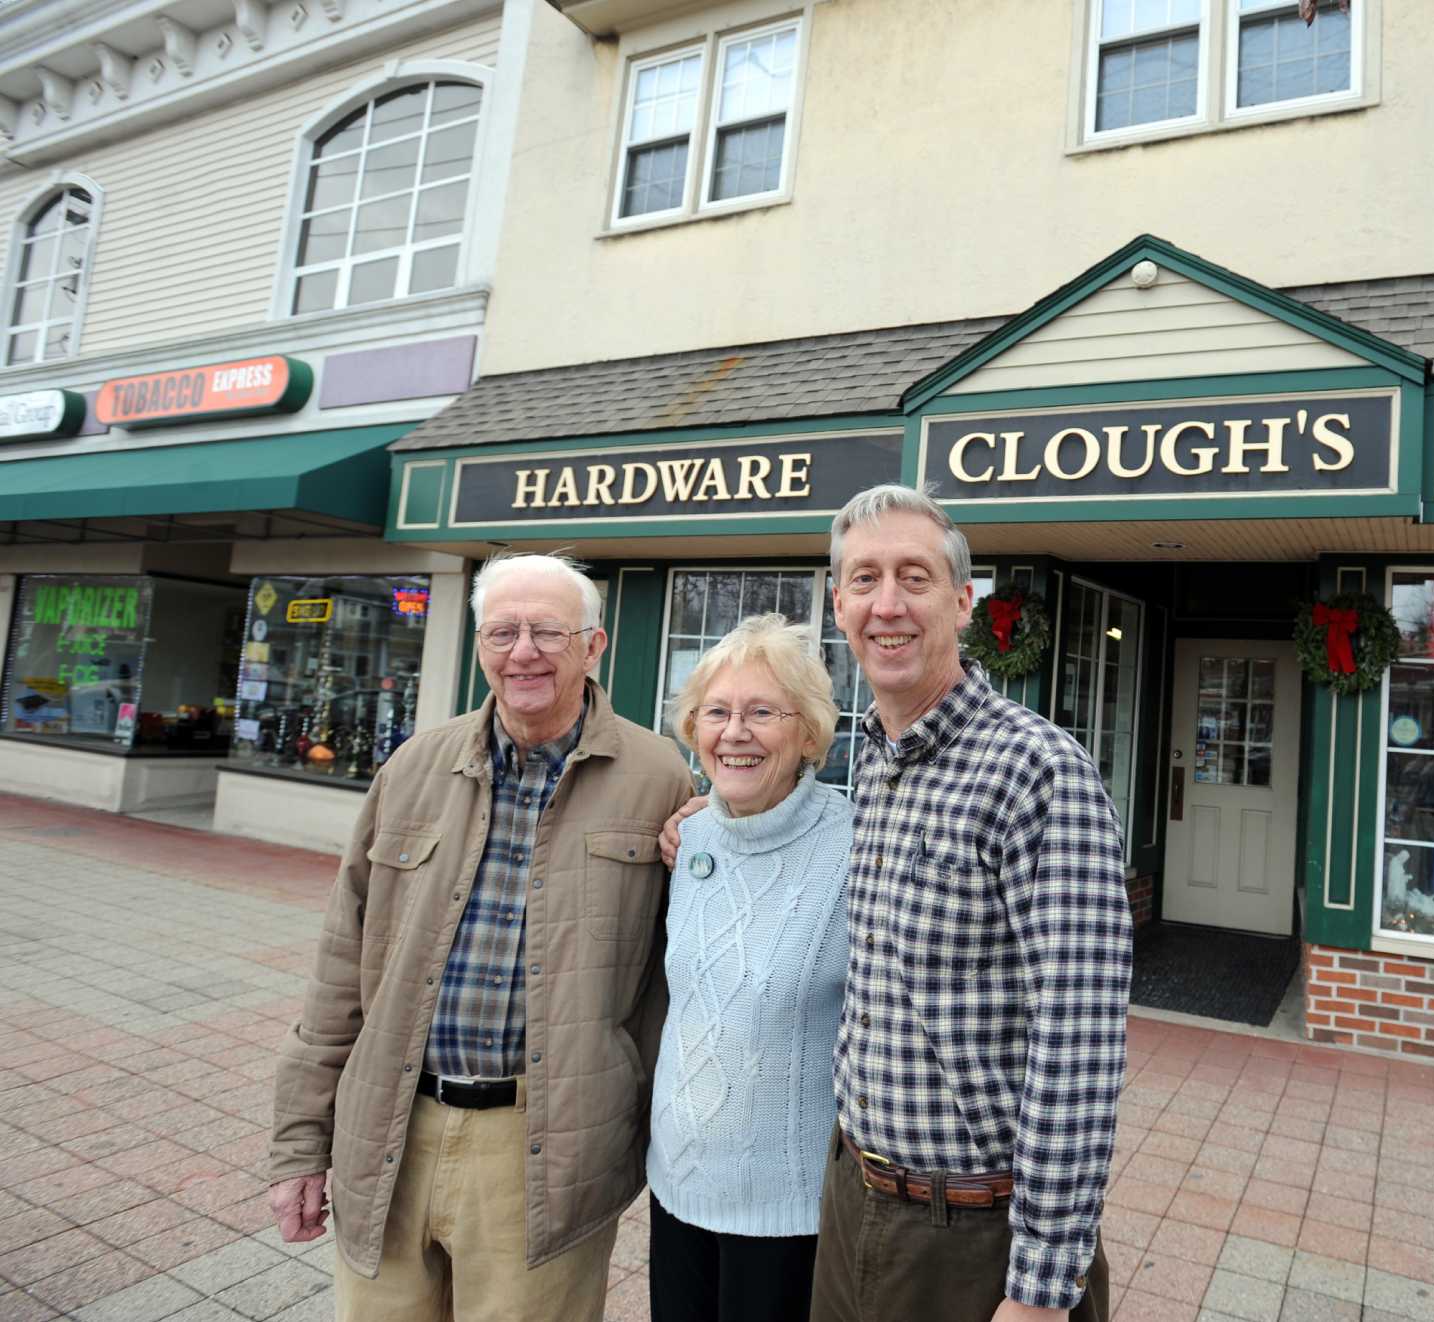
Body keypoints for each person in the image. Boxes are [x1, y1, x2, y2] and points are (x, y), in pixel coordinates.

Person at [662, 484, 1132, 1322]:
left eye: (913, 577)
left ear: (962, 601)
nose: (888, 604)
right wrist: (713, 818)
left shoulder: (1037, 770)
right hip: (854, 1203)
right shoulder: (875, 765)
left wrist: (1041, 1291)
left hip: (972, 1231)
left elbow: (1080, 1047)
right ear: (836, 603)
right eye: (864, 579)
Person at [268, 551, 691, 1322]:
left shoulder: (661, 778)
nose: (522, 651)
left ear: (594, 647)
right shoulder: (411, 768)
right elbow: (340, 965)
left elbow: (676, 982)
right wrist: (300, 1143)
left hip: (547, 1148)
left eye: (547, 633)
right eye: (502, 632)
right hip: (389, 1132)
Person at [647, 613, 852, 1322]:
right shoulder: (689, 834)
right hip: (675, 1184)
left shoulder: (856, 844)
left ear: (808, 733)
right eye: (717, 713)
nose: (735, 732)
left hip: (789, 1211)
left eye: (763, 712)